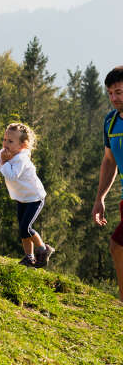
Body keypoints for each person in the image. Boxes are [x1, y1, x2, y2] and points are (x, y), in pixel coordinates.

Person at [0, 123, 54, 267]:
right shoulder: (6, 154)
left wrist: (4, 160)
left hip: (34, 198)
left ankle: (44, 249)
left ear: (22, 145)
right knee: (22, 229)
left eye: (10, 141)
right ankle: (29, 257)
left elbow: (12, 175)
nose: (5, 144)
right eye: (5, 139)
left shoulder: (21, 158)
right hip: (22, 199)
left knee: (26, 227)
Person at [92, 66, 123, 300]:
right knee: (117, 248)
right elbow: (109, 161)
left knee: (117, 246)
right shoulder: (110, 122)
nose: (114, 98)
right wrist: (100, 198)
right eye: (111, 93)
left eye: (119, 92)